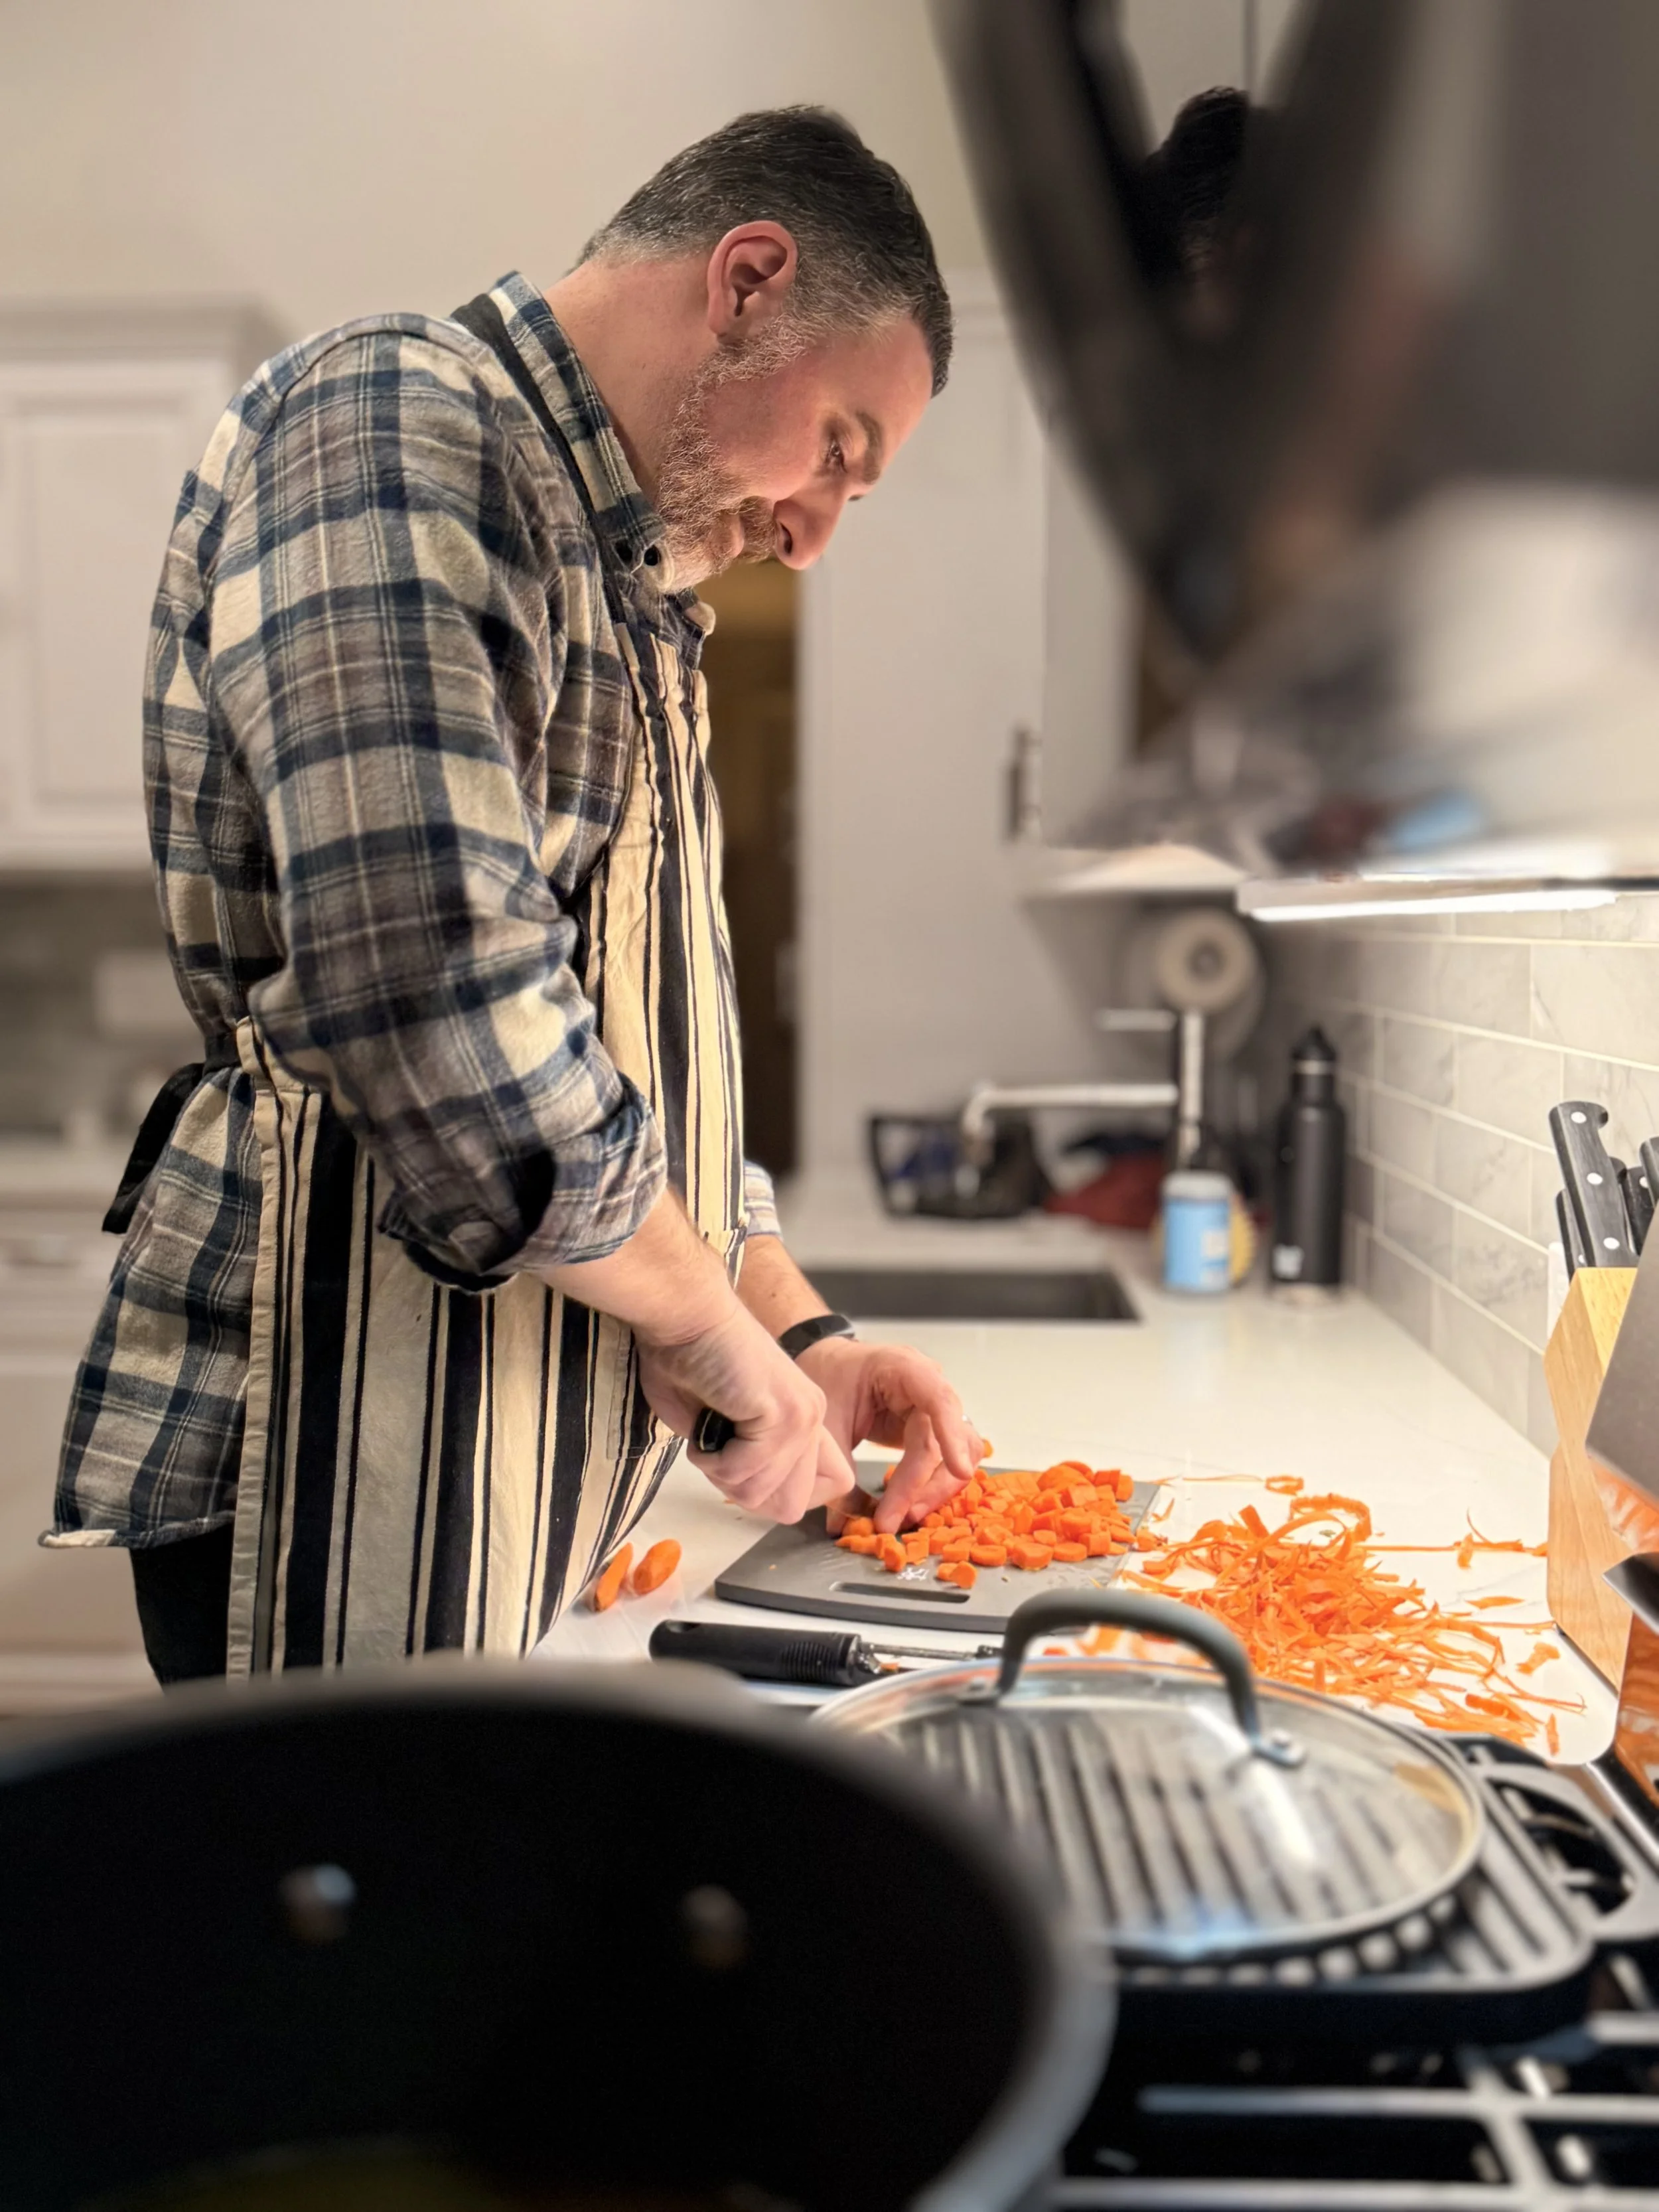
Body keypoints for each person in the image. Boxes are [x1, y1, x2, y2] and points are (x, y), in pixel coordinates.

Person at [46, 108, 985, 1682]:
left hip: (490, 1454)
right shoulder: (395, 421)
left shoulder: (624, 586)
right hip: (335, 1437)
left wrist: (798, 1333)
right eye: (837, 448)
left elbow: (622, 1047)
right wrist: (699, 1327)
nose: (815, 534)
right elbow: (435, 999)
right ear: (748, 279)